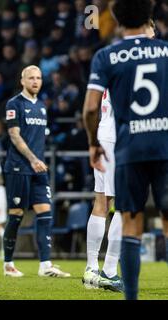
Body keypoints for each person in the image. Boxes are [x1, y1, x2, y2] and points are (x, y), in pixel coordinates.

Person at [83, 0, 168, 300]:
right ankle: (105, 270)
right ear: (148, 25)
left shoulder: (110, 57)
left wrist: (92, 143)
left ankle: (95, 270)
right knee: (125, 207)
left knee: (105, 203)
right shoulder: (159, 55)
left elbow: (91, 106)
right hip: (140, 135)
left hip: (111, 134)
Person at [3, 65, 71, 278]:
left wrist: (37, 161)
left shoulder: (42, 106)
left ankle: (45, 265)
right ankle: (8, 264)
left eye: (39, 78)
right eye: (31, 78)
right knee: (16, 215)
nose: (35, 81)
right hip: (19, 167)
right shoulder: (14, 104)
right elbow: (14, 135)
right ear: (22, 81)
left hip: (37, 169)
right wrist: (32, 159)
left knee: (45, 213)